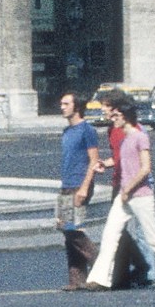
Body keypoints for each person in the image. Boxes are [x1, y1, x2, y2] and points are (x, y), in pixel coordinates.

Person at [89, 91, 155, 290]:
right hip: (124, 195)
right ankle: (100, 279)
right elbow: (122, 161)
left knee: (153, 237)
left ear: (124, 115)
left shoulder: (140, 136)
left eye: (115, 115)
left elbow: (145, 168)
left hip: (140, 195)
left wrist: (128, 188)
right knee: (110, 234)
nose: (112, 118)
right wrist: (105, 165)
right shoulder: (123, 138)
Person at [55, 92, 107, 290]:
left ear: (76, 107)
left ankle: (105, 271)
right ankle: (76, 279)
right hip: (67, 184)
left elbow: (94, 160)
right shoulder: (67, 131)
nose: (62, 107)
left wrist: (85, 187)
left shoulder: (87, 130)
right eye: (61, 103)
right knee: (66, 230)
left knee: (73, 230)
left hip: (80, 184)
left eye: (66, 103)